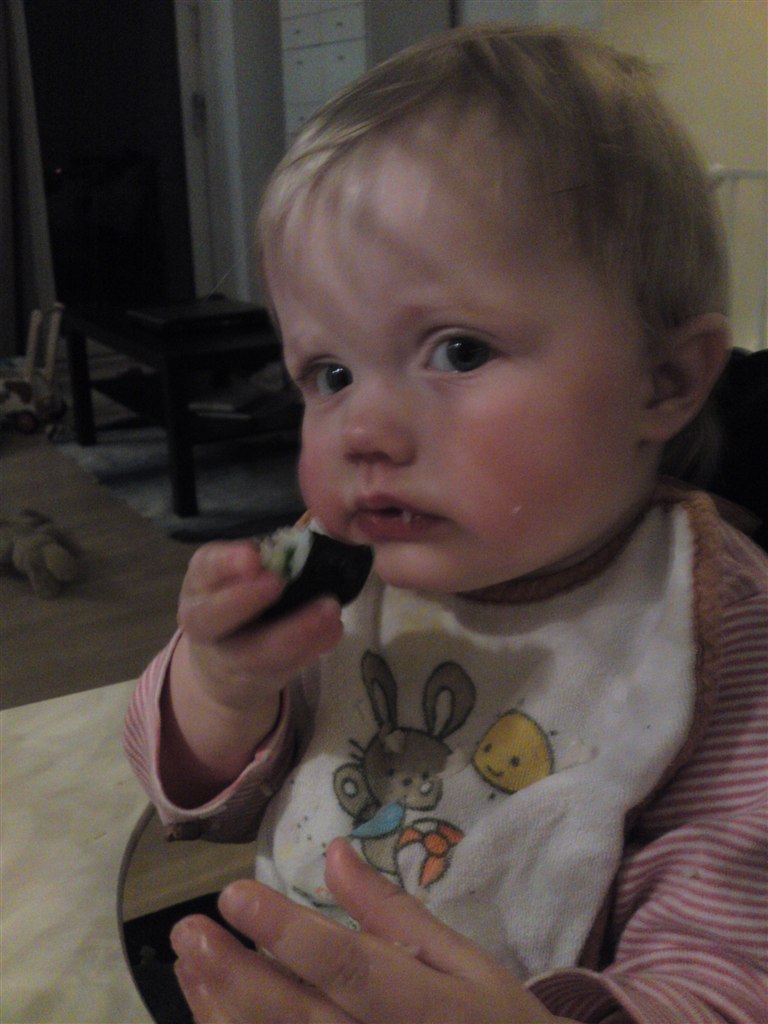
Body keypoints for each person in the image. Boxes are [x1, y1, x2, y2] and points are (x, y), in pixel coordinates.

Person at [125, 24, 767, 1024]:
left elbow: (729, 972)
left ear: (665, 380)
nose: (363, 429)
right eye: (329, 373)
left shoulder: (711, 630)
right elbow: (198, 792)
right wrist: (222, 682)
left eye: (458, 351)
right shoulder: (345, 559)